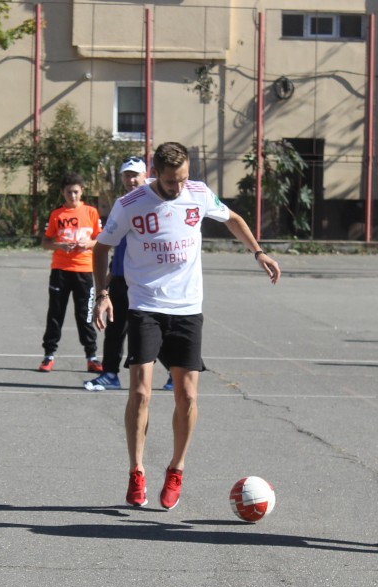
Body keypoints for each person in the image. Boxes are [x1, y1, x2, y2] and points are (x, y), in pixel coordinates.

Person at [92, 141, 280, 509]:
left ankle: (176, 468)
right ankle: (136, 470)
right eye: (170, 180)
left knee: (188, 395)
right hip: (145, 303)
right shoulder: (130, 204)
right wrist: (102, 294)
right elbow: (101, 247)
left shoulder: (198, 193)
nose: (177, 186)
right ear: (155, 173)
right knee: (142, 392)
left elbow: (234, 220)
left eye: (182, 178)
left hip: (188, 307)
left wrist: (258, 252)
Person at [84, 157, 148, 391]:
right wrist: (108, 278)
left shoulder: (152, 203)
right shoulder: (123, 205)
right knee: (114, 329)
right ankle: (110, 374)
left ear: (145, 175)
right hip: (120, 279)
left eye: (135, 175)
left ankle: (176, 371)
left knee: (150, 331)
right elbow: (113, 246)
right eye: (127, 175)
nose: (131, 179)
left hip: (142, 281)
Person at [38, 173, 102, 373]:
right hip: (60, 270)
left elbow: (100, 240)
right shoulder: (57, 214)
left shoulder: (91, 212)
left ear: (81, 192)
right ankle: (49, 355)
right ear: (62, 193)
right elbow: (45, 243)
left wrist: (88, 243)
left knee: (85, 315)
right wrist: (59, 245)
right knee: (55, 314)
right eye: (69, 192)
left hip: (84, 271)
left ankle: (91, 356)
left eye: (76, 192)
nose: (72, 196)